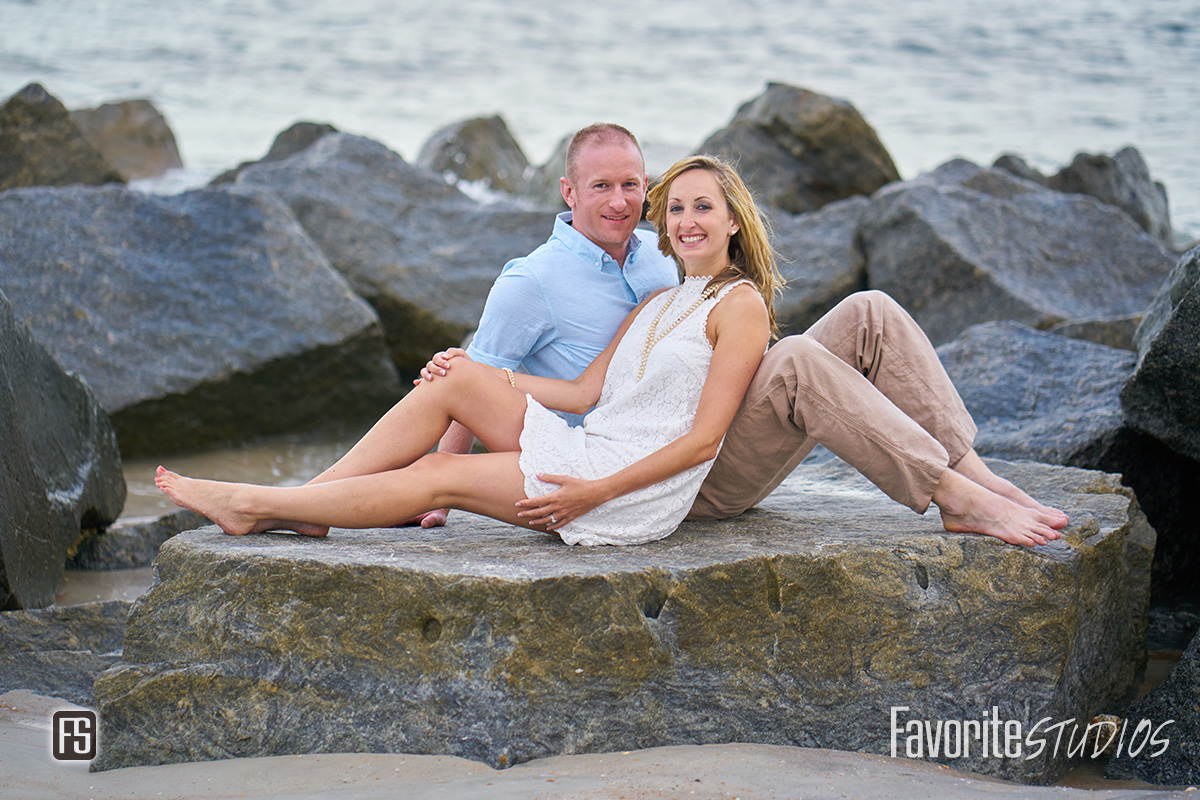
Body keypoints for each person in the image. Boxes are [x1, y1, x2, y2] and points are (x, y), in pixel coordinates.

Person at [412, 124, 1069, 548]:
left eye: (634, 190)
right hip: (676, 472)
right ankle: (946, 494)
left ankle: (972, 475)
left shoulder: (652, 255)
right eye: (678, 210)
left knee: (870, 311)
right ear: (570, 192)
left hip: (706, 427)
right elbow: (502, 367)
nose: (622, 204)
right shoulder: (538, 277)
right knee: (798, 361)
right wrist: (439, 495)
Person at [155, 155, 781, 545]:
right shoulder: (661, 297)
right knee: (453, 376)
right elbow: (584, 393)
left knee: (436, 475)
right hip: (590, 446)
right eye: (674, 208)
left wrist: (597, 492)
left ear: (734, 220)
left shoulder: (738, 305)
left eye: (703, 207)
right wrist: (476, 372)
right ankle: (312, 504)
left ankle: (257, 504)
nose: (684, 220)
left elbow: (704, 441)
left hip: (618, 489)